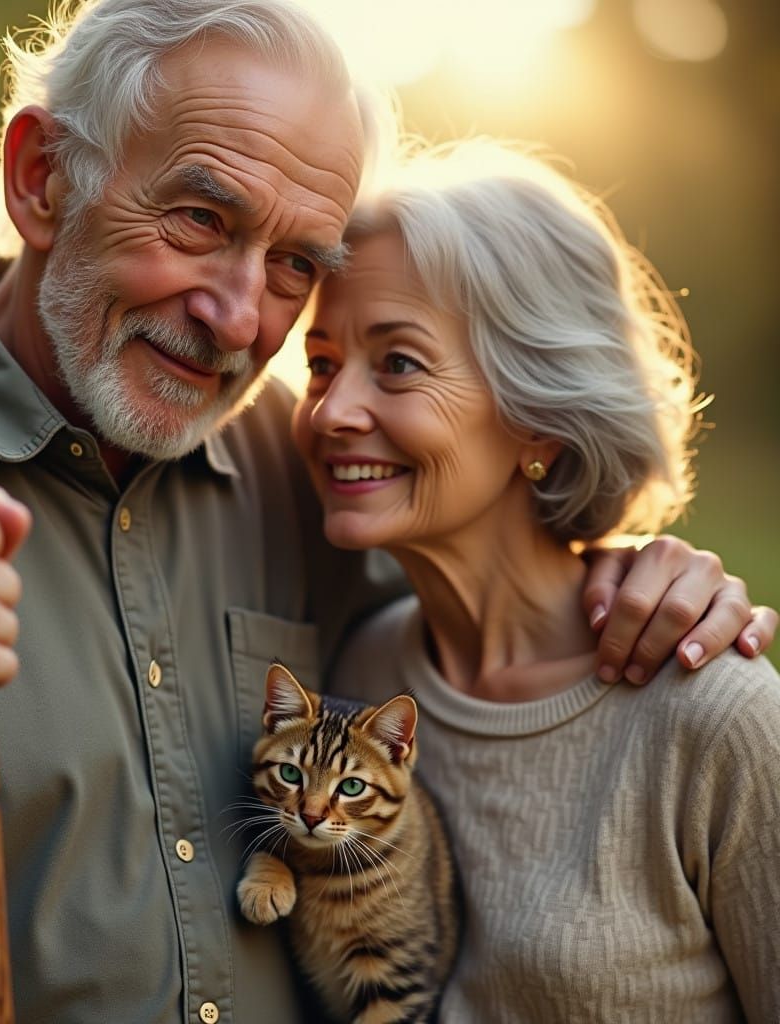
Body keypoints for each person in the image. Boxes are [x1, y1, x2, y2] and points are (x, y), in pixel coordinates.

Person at [0, 1, 772, 1021]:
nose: (240, 319)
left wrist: (630, 561)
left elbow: (499, 570)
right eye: (201, 218)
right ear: (41, 179)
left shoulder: (300, 468)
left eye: (294, 263)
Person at [288, 139, 779, 1021]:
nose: (332, 410)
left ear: (538, 420)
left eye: (398, 362)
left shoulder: (716, 717)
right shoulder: (358, 677)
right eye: (321, 363)